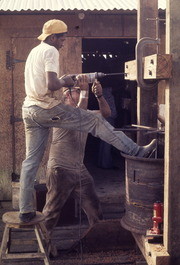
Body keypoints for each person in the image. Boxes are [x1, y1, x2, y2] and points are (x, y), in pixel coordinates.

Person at [19, 19, 157, 223]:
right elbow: (52, 84)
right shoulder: (50, 51)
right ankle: (137, 151)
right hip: (45, 107)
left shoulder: (34, 52)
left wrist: (75, 80)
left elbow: (47, 82)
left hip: (29, 109)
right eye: (62, 37)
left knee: (30, 161)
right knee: (96, 122)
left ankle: (25, 210)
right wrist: (66, 81)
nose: (64, 41)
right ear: (53, 37)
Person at [42, 76, 111, 256]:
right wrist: (86, 91)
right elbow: (78, 113)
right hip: (61, 169)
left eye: (79, 90)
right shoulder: (61, 112)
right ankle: (44, 247)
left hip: (79, 169)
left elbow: (106, 114)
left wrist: (100, 96)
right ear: (66, 97)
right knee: (51, 212)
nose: (78, 91)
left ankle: (98, 241)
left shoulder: (85, 113)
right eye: (74, 90)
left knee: (95, 209)